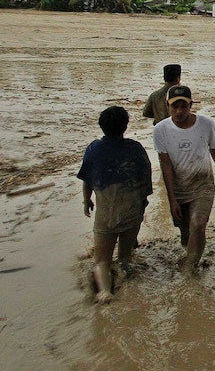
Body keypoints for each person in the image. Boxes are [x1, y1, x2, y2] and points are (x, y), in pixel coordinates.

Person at [78, 106, 152, 303]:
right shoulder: (135, 148)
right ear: (125, 126)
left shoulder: (94, 149)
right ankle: (126, 279)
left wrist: (87, 200)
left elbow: (87, 179)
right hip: (131, 210)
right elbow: (146, 181)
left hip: (106, 213)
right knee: (126, 257)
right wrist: (142, 205)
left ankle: (104, 291)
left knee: (101, 260)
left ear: (101, 126)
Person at [153, 85, 215, 271]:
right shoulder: (160, 130)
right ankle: (191, 250)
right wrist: (172, 199)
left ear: (191, 105)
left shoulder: (206, 124)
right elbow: (165, 165)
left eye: (184, 106)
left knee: (198, 224)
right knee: (185, 232)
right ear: (167, 105)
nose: (179, 111)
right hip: (180, 187)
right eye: (174, 107)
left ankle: (190, 267)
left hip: (202, 182)